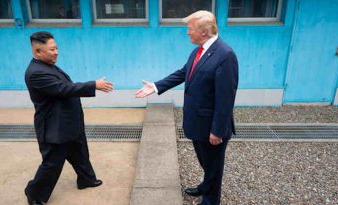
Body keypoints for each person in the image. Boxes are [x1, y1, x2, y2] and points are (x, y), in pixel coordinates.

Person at [135, 10, 238, 205]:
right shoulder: (199, 49)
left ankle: (210, 200)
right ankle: (205, 186)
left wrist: (217, 130)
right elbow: (183, 72)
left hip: (211, 127)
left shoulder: (225, 55)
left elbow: (226, 98)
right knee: (206, 162)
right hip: (198, 122)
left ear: (204, 32)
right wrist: (156, 86)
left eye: (190, 29)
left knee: (214, 166)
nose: (187, 33)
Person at [24, 31, 114, 205]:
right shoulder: (36, 72)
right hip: (55, 127)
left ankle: (86, 179)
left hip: (69, 121)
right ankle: (34, 193)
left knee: (80, 152)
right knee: (52, 164)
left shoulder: (48, 64)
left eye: (56, 47)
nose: (56, 52)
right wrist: (93, 85)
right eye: (52, 49)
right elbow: (63, 89)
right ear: (37, 52)